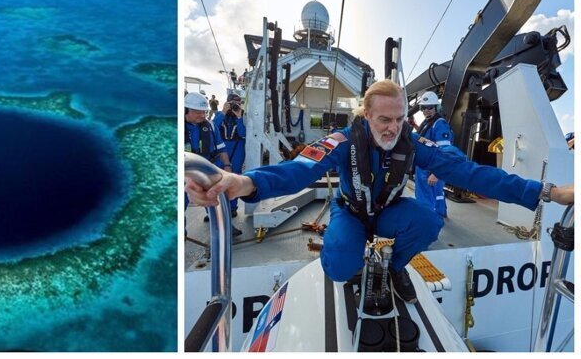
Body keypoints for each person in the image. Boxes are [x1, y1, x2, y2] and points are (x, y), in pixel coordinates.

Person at [186, 80, 573, 303]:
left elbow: (472, 174)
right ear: (366, 115)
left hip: (389, 211)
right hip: (350, 212)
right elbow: (299, 170)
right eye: (384, 119)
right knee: (338, 267)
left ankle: (393, 266)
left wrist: (549, 192)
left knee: (427, 219)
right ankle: (358, 268)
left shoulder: (414, 144)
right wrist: (245, 183)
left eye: (400, 118)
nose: (392, 128)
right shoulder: (341, 141)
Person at [184, 92, 242, 236]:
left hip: (207, 169)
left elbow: (221, 147)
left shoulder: (209, 126)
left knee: (216, 200)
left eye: (204, 112)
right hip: (184, 173)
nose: (202, 116)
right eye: (197, 112)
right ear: (185, 110)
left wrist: (227, 165)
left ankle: (225, 227)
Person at [414, 91, 453, 218]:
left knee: (426, 198)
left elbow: (445, 150)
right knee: (437, 195)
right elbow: (423, 138)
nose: (427, 110)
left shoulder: (439, 124)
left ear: (436, 107)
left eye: (430, 107)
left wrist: (436, 173)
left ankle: (427, 224)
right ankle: (440, 215)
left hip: (431, 170)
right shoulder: (428, 122)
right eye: (424, 108)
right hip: (426, 169)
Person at [213, 94, 247, 217]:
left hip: (238, 148)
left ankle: (232, 208)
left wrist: (239, 117)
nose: (235, 105)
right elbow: (212, 128)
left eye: (237, 103)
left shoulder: (243, 116)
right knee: (217, 178)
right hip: (221, 148)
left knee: (235, 177)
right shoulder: (219, 115)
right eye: (232, 103)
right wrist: (223, 112)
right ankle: (215, 208)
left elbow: (243, 134)